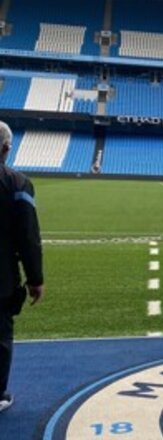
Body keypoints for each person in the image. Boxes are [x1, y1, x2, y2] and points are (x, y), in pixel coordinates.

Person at [0, 121, 44, 413]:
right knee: (0, 335)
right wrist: (35, 279)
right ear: (6, 148)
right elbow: (28, 237)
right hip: (1, 276)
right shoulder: (17, 183)